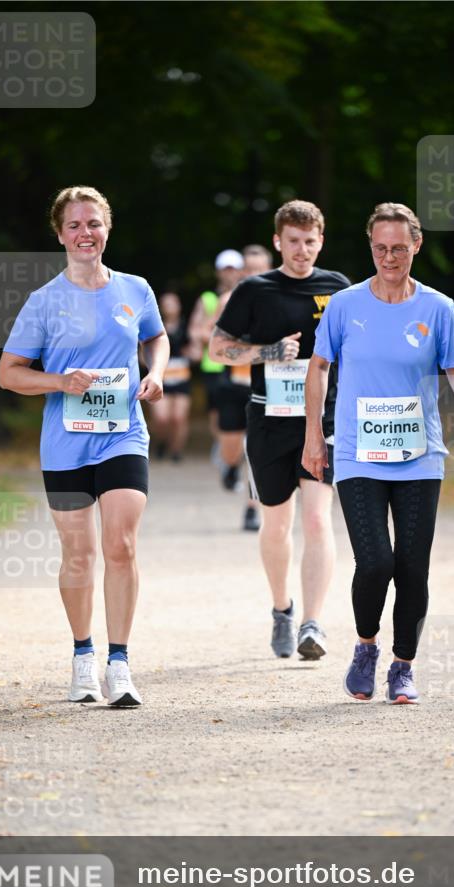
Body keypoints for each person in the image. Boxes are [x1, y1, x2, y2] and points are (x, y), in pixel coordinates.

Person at [303, 202, 454, 703]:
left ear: (416, 246)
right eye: (381, 248)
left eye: (400, 249)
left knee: (412, 566)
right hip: (359, 454)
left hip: (419, 455)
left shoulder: (438, 307)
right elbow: (319, 367)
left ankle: (402, 665)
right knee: (376, 562)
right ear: (370, 247)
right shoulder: (344, 306)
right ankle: (366, 647)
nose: (390, 257)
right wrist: (313, 436)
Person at [0, 186, 168, 708]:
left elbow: (156, 337)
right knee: (79, 554)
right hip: (65, 444)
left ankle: (120, 662)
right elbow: (9, 375)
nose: (84, 234)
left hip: (122, 434)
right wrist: (59, 382)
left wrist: (156, 373)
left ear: (107, 228)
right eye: (74, 225)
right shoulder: (44, 301)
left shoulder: (135, 289)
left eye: (92, 223)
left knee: (121, 545)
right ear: (59, 234)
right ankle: (83, 658)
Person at [209, 200, 350, 660]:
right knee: (277, 522)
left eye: (310, 241)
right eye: (293, 241)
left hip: (322, 420)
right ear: (278, 242)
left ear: (321, 241)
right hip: (268, 418)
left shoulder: (339, 288)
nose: (302, 250)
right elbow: (218, 348)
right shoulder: (254, 290)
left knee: (316, 518)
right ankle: (281, 609)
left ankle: (313, 622)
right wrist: (268, 353)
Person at [215, 245, 274, 530]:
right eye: (248, 270)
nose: (253, 274)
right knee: (232, 448)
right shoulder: (229, 300)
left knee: (256, 449)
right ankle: (228, 464)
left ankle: (252, 508)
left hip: (265, 388)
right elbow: (216, 346)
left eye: (259, 269)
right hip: (234, 386)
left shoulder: (279, 301)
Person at [188, 249, 245, 455]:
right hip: (214, 364)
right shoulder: (208, 298)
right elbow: (197, 330)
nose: (229, 274)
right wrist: (217, 340)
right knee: (216, 412)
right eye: (225, 269)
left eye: (234, 269)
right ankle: (223, 448)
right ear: (219, 272)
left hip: (243, 364)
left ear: (241, 271)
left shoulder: (249, 296)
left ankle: (234, 452)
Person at [148, 292, 191, 461]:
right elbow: (142, 351)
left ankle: (176, 451)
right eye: (166, 304)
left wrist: (193, 353)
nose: (170, 308)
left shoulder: (186, 326)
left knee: (178, 418)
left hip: (181, 377)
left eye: (173, 303)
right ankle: (161, 442)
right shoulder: (154, 326)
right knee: (161, 418)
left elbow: (194, 349)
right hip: (161, 376)